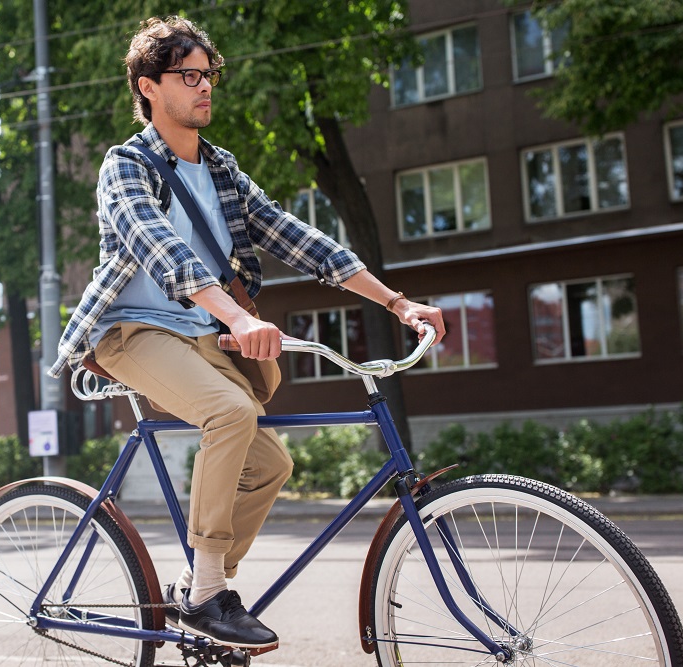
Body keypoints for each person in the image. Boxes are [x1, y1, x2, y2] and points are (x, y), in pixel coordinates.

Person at [49, 16, 446, 649]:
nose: (205, 87)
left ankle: (197, 587)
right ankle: (208, 595)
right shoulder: (124, 166)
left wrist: (398, 303)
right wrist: (237, 315)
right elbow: (162, 249)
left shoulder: (222, 170)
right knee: (232, 412)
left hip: (198, 334)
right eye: (189, 75)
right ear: (149, 87)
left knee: (269, 465)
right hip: (130, 331)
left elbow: (298, 238)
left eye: (209, 74)